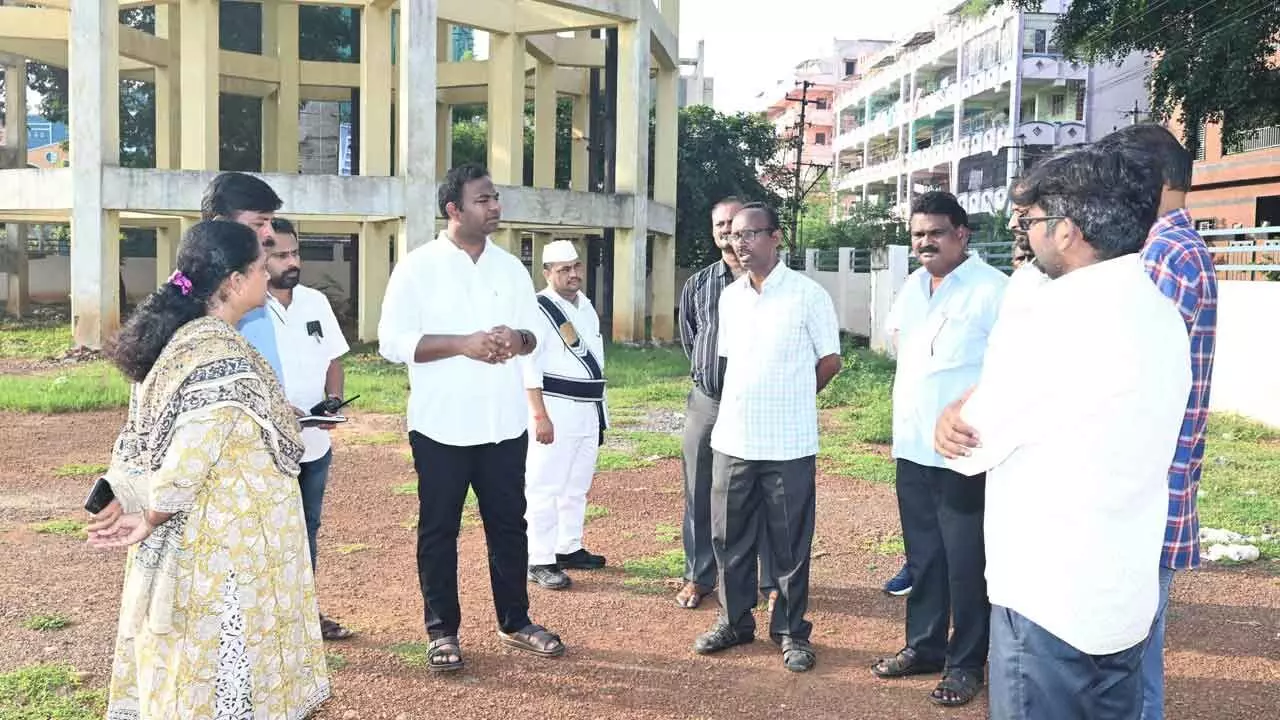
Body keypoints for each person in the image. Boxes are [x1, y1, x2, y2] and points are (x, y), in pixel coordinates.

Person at [939, 147, 1191, 720]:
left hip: (1048, 598)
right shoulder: (1161, 313)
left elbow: (969, 443)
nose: (1024, 238)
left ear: (1068, 231)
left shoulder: (1053, 321)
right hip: (1123, 592)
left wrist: (957, 409)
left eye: (1029, 223)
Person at [87, 220, 330, 719]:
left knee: (193, 680)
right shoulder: (219, 353)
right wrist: (153, 512)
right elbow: (190, 452)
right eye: (262, 267)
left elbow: (138, 437)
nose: (270, 276)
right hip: (225, 555)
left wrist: (130, 496)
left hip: (200, 545)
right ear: (235, 282)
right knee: (228, 685)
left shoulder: (178, 342)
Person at [377, 163, 565, 673]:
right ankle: (442, 632)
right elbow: (391, 341)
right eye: (484, 199)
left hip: (503, 424)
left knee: (509, 525)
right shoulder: (417, 267)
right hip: (440, 426)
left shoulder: (509, 268)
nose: (495, 207)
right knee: (439, 529)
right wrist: (462, 344)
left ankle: (516, 621)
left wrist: (516, 339)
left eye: (496, 198)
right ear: (453, 209)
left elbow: (536, 338)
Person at [1091, 124, 1218, 720]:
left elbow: (1128, 374)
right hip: (1151, 479)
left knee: (1130, 657)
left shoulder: (1167, 253)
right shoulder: (1165, 249)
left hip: (1147, 484)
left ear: (1156, 181)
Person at [87, 172, 290, 534]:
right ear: (235, 279)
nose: (270, 235)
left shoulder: (194, 313)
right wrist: (151, 509)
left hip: (228, 493)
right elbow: (189, 442)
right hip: (220, 514)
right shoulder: (209, 343)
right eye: (259, 223)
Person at [692, 202, 842, 673]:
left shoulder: (807, 295)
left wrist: (793, 396)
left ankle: (792, 632)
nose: (741, 242)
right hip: (734, 438)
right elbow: (735, 363)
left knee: (789, 544)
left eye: (751, 234)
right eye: (735, 235)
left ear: (777, 237)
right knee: (727, 535)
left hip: (789, 442)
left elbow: (830, 361)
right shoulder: (731, 297)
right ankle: (735, 621)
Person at [872, 191, 1006, 707]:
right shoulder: (912, 285)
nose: (924, 241)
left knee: (966, 561)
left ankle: (967, 662)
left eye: (935, 232)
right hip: (911, 448)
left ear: (962, 234)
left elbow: (1007, 371)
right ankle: (924, 646)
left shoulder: (994, 291)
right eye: (917, 233)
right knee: (924, 557)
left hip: (963, 452)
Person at [675, 197, 777, 611]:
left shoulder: (773, 282)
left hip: (758, 405)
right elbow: (691, 337)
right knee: (699, 490)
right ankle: (700, 577)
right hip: (708, 402)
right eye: (718, 224)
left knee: (766, 492)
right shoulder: (699, 283)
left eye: (732, 224)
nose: (725, 231)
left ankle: (770, 583)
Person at [265, 218, 354, 641]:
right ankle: (265, 621)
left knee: (307, 530)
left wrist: (332, 403)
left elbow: (334, 360)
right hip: (264, 450)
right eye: (280, 255)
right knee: (266, 534)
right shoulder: (245, 309)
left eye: (295, 253)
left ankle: (303, 615)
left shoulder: (315, 302)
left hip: (314, 443)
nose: (292, 261)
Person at [521, 239, 609, 590]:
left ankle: (568, 546)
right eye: (563, 269)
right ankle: (539, 558)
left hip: (587, 409)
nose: (573, 274)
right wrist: (539, 415)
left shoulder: (585, 305)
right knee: (544, 485)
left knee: (576, 485)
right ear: (546, 273)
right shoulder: (537, 309)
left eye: (576, 266)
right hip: (555, 406)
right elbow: (529, 366)